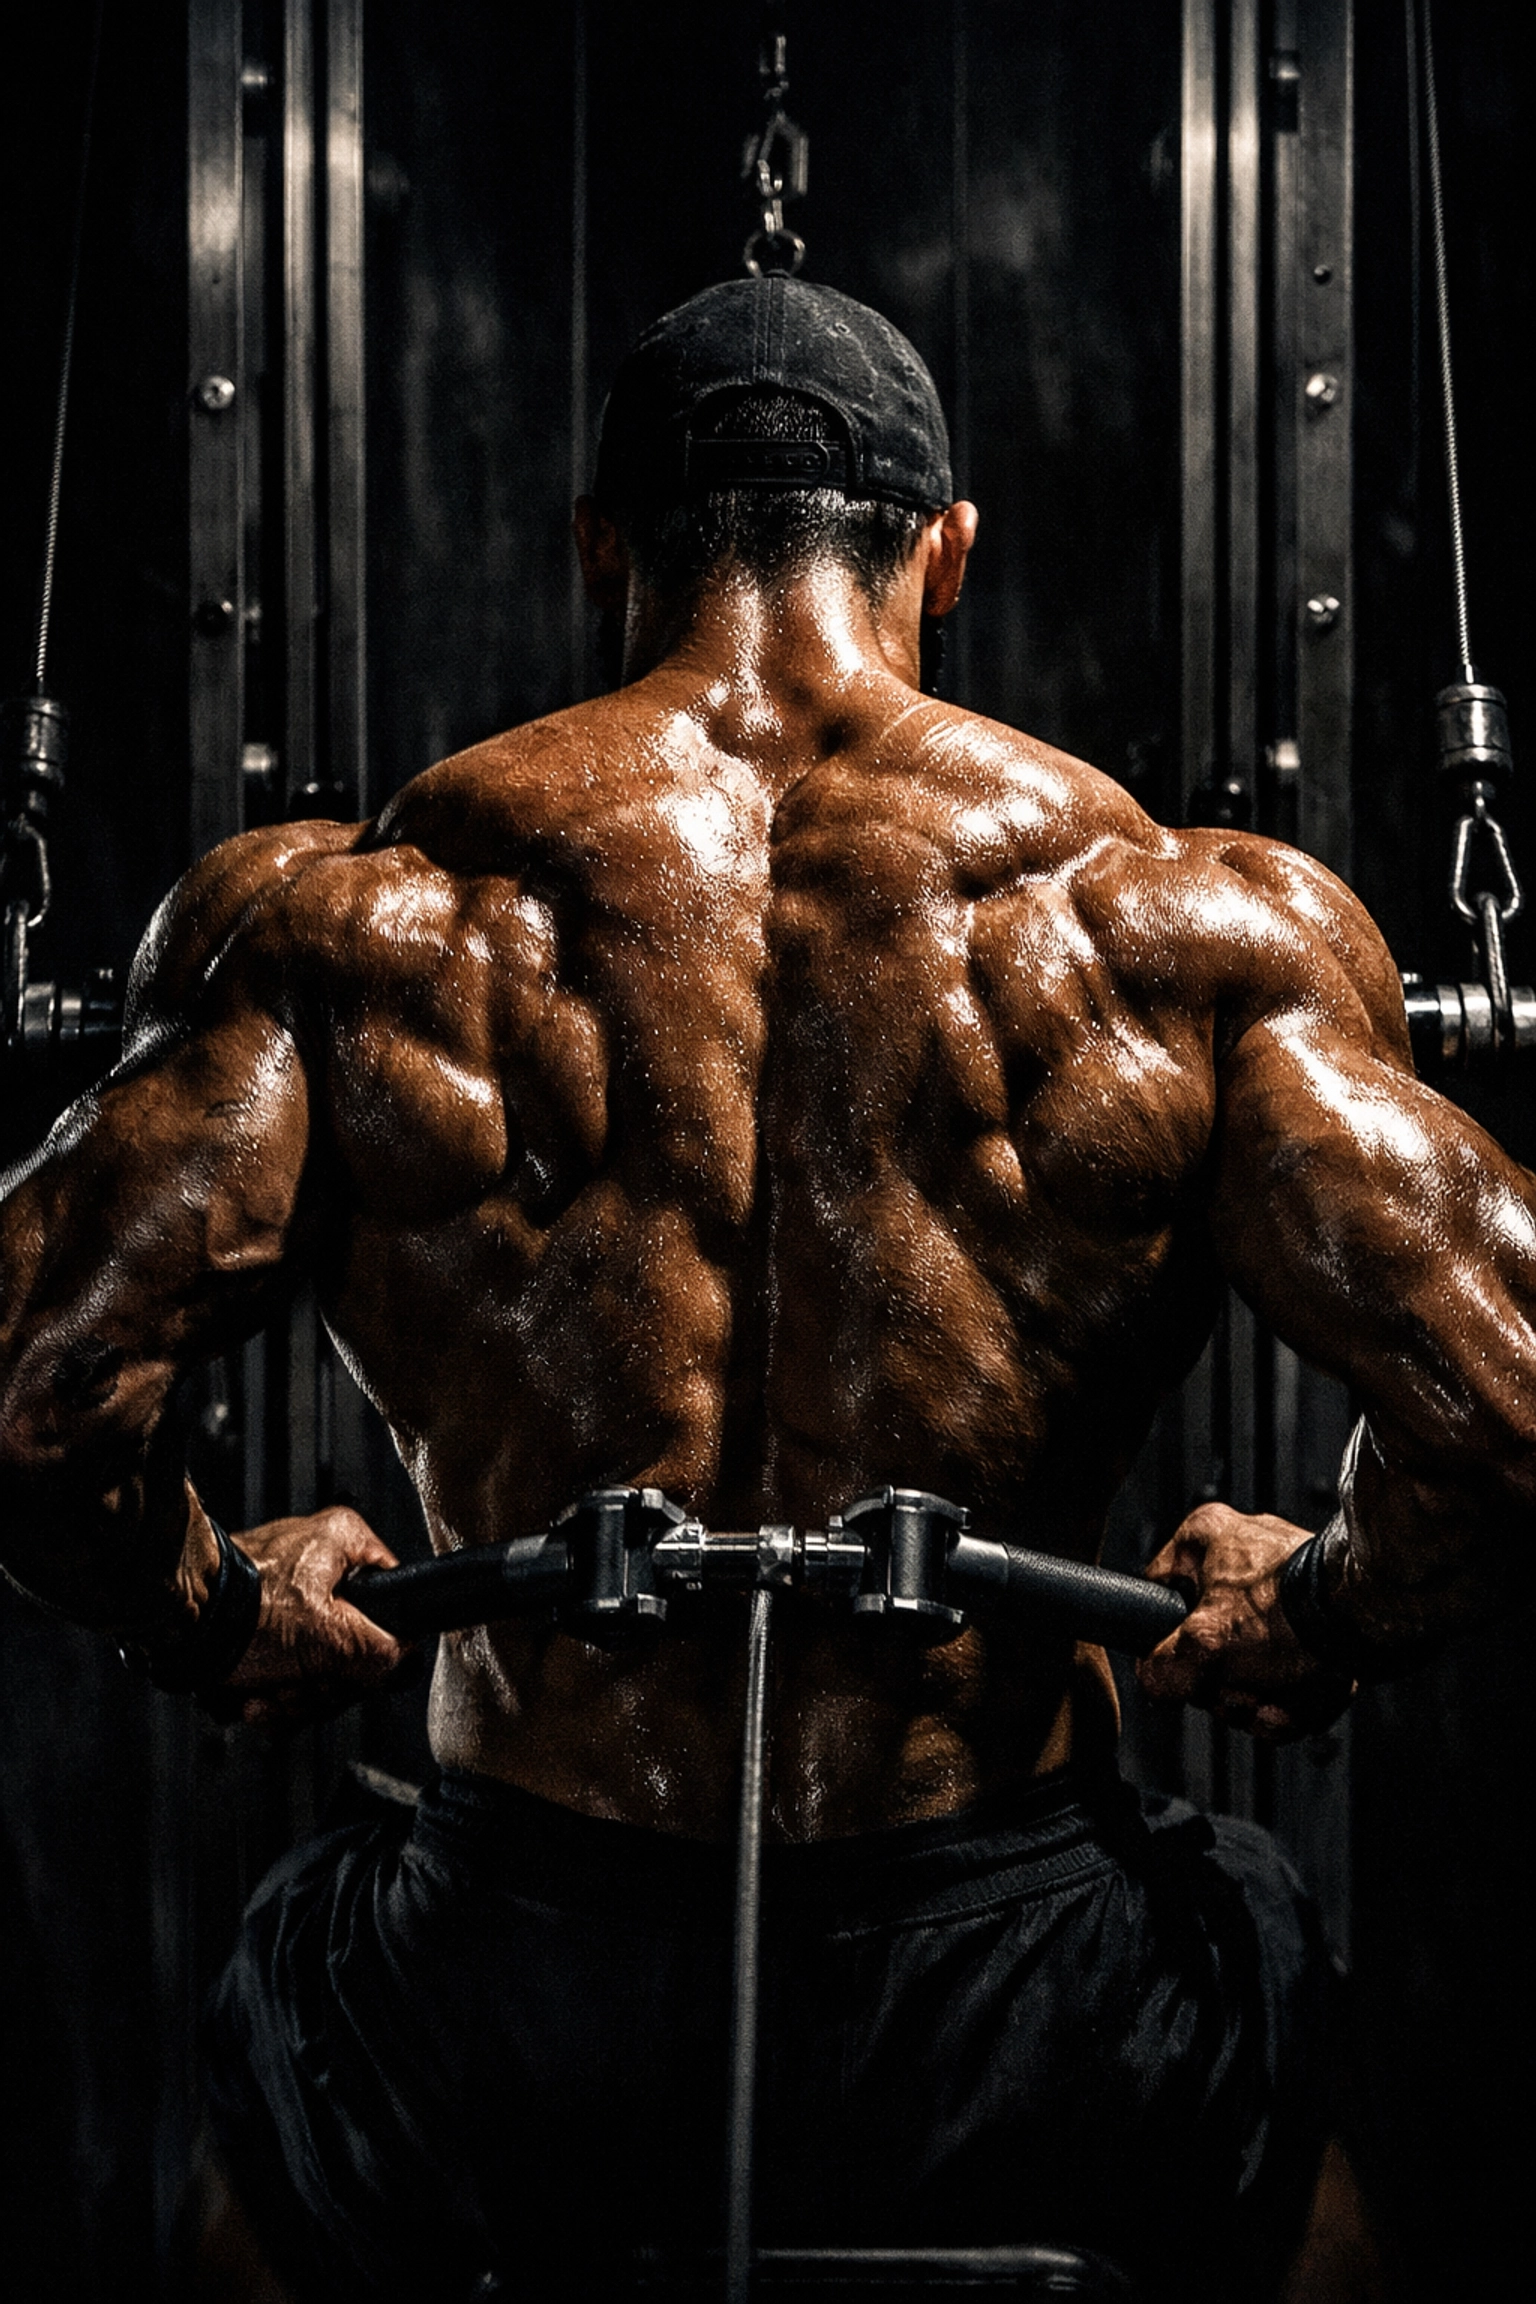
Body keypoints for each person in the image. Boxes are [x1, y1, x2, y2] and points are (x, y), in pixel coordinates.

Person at [0, 275, 1530, 2301]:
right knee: (1290, 2126)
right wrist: (1321, 1611)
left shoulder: (362, 918)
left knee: (272, 2134)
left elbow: (34, 1399)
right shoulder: (1172, 923)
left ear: (603, 549)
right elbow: (1507, 1404)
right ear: (947, 556)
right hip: (1027, 1987)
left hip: (516, 1989)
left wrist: (213, 1609)